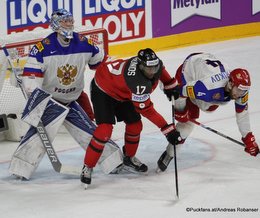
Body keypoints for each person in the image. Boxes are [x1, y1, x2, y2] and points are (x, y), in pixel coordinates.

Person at [9, 9, 122, 179]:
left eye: (70, 20)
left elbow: (101, 62)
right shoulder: (42, 48)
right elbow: (32, 78)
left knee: (89, 133)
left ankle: (114, 162)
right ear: (55, 24)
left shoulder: (83, 42)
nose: (69, 24)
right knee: (38, 137)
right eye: (65, 21)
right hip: (50, 102)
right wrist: (36, 103)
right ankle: (20, 169)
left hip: (72, 99)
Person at [80, 48, 181, 187]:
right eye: (148, 68)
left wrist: (170, 85)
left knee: (135, 125)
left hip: (123, 91)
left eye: (154, 67)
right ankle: (87, 167)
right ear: (140, 66)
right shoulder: (136, 81)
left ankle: (129, 158)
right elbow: (147, 110)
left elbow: (162, 73)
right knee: (104, 131)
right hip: (103, 90)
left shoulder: (154, 65)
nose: (152, 72)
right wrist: (167, 129)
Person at [157, 52, 259, 172]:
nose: (241, 94)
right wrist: (181, 111)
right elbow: (178, 92)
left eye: (244, 91)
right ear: (231, 84)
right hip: (190, 70)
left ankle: (193, 108)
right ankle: (169, 154)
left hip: (205, 66)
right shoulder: (207, 87)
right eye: (239, 91)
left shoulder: (240, 90)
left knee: (208, 107)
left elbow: (242, 114)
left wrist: (248, 138)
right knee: (186, 125)